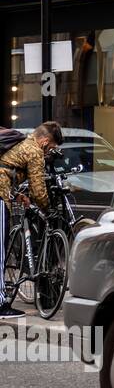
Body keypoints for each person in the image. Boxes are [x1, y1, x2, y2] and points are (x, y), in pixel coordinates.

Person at [0, 121, 63, 316]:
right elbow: (38, 189)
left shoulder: (22, 145)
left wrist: (18, 196)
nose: (49, 153)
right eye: (51, 148)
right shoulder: (35, 151)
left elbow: (6, 169)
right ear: (44, 141)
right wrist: (48, 208)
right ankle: (0, 304)